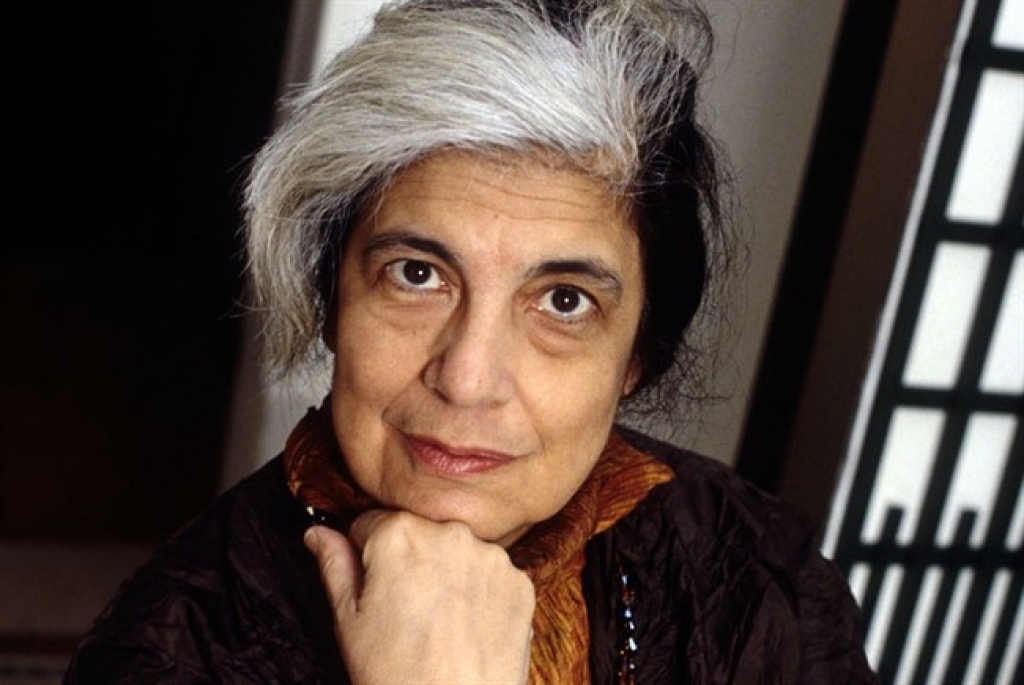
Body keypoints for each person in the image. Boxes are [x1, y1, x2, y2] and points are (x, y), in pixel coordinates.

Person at [66, 0, 877, 682]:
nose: (467, 377)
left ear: (636, 356)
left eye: (563, 301)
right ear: (332, 298)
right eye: (417, 274)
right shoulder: (171, 648)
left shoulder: (759, 571)